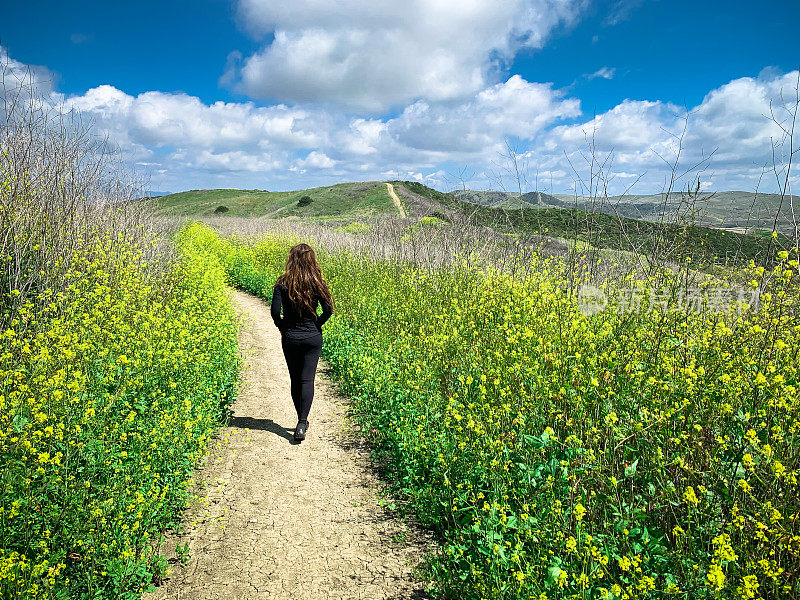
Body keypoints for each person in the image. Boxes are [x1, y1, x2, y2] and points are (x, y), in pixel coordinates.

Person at [270, 243, 334, 441]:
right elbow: (329, 310)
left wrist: (283, 327)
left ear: (292, 260)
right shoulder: (317, 282)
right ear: (312, 260)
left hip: (291, 337)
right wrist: (316, 325)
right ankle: (302, 422)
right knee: (307, 379)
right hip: (312, 337)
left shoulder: (282, 282)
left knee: (295, 379)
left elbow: (274, 312)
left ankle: (300, 421)